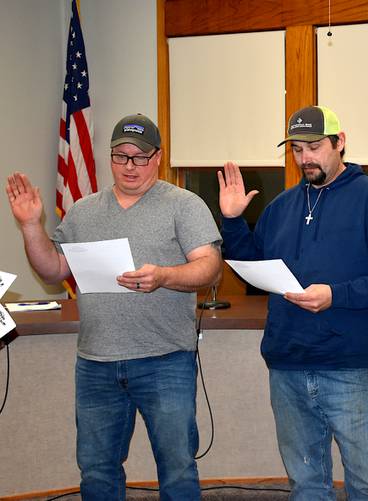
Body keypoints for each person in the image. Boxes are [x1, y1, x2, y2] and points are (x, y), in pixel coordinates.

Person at [5, 114, 222, 501]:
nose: (129, 166)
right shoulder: (84, 211)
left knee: (176, 468)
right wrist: (30, 227)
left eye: (139, 157)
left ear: (158, 157)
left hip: (165, 360)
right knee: (97, 470)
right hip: (95, 363)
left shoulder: (184, 205)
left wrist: (164, 277)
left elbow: (208, 266)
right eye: (120, 156)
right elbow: (53, 269)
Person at [218, 105, 368, 500]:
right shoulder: (281, 206)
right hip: (288, 363)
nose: (305, 157)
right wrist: (234, 221)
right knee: (306, 484)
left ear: (340, 143)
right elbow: (252, 266)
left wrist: (335, 296)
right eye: (296, 149)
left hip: (350, 366)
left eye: (314, 146)